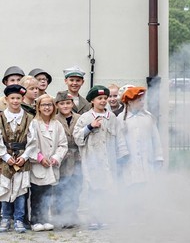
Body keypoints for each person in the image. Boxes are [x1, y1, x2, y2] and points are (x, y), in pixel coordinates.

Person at [73, 85, 129, 229]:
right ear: (92, 101)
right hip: (92, 160)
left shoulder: (112, 118)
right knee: (93, 190)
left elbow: (119, 137)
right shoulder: (85, 117)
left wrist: (122, 155)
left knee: (106, 190)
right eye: (99, 99)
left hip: (109, 161)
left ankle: (103, 216)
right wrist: (90, 127)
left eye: (105, 98)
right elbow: (77, 137)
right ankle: (92, 217)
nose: (103, 101)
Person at [0, 84, 37, 233]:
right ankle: (5, 218)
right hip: (5, 158)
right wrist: (5, 156)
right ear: (7, 99)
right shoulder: (1, 118)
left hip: (22, 157)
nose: (15, 101)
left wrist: (25, 156)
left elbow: (33, 140)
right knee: (4, 188)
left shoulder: (29, 118)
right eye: (12, 98)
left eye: (18, 98)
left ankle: (19, 219)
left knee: (21, 191)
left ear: (22, 99)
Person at [29, 95, 67, 232]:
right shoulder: (34, 124)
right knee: (37, 194)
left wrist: (56, 157)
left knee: (48, 194)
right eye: (43, 105)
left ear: (53, 107)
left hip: (51, 165)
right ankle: (35, 220)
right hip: (38, 165)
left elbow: (63, 144)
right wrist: (39, 157)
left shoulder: (57, 125)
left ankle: (45, 219)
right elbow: (31, 145)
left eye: (49, 105)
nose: (47, 107)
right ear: (38, 107)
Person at [116, 86, 164, 188]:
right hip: (129, 163)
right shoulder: (120, 119)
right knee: (131, 190)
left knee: (147, 190)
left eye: (142, 100)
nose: (142, 102)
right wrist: (122, 157)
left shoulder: (148, 117)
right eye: (139, 100)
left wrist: (158, 157)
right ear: (129, 102)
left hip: (147, 161)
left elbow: (156, 139)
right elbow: (119, 142)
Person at [53, 91, 81, 228]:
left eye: (68, 103)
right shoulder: (54, 119)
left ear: (72, 104)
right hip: (62, 159)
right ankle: (59, 216)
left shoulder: (79, 118)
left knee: (75, 187)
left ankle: (72, 214)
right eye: (62, 103)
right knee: (60, 188)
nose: (65, 106)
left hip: (77, 158)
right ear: (57, 105)